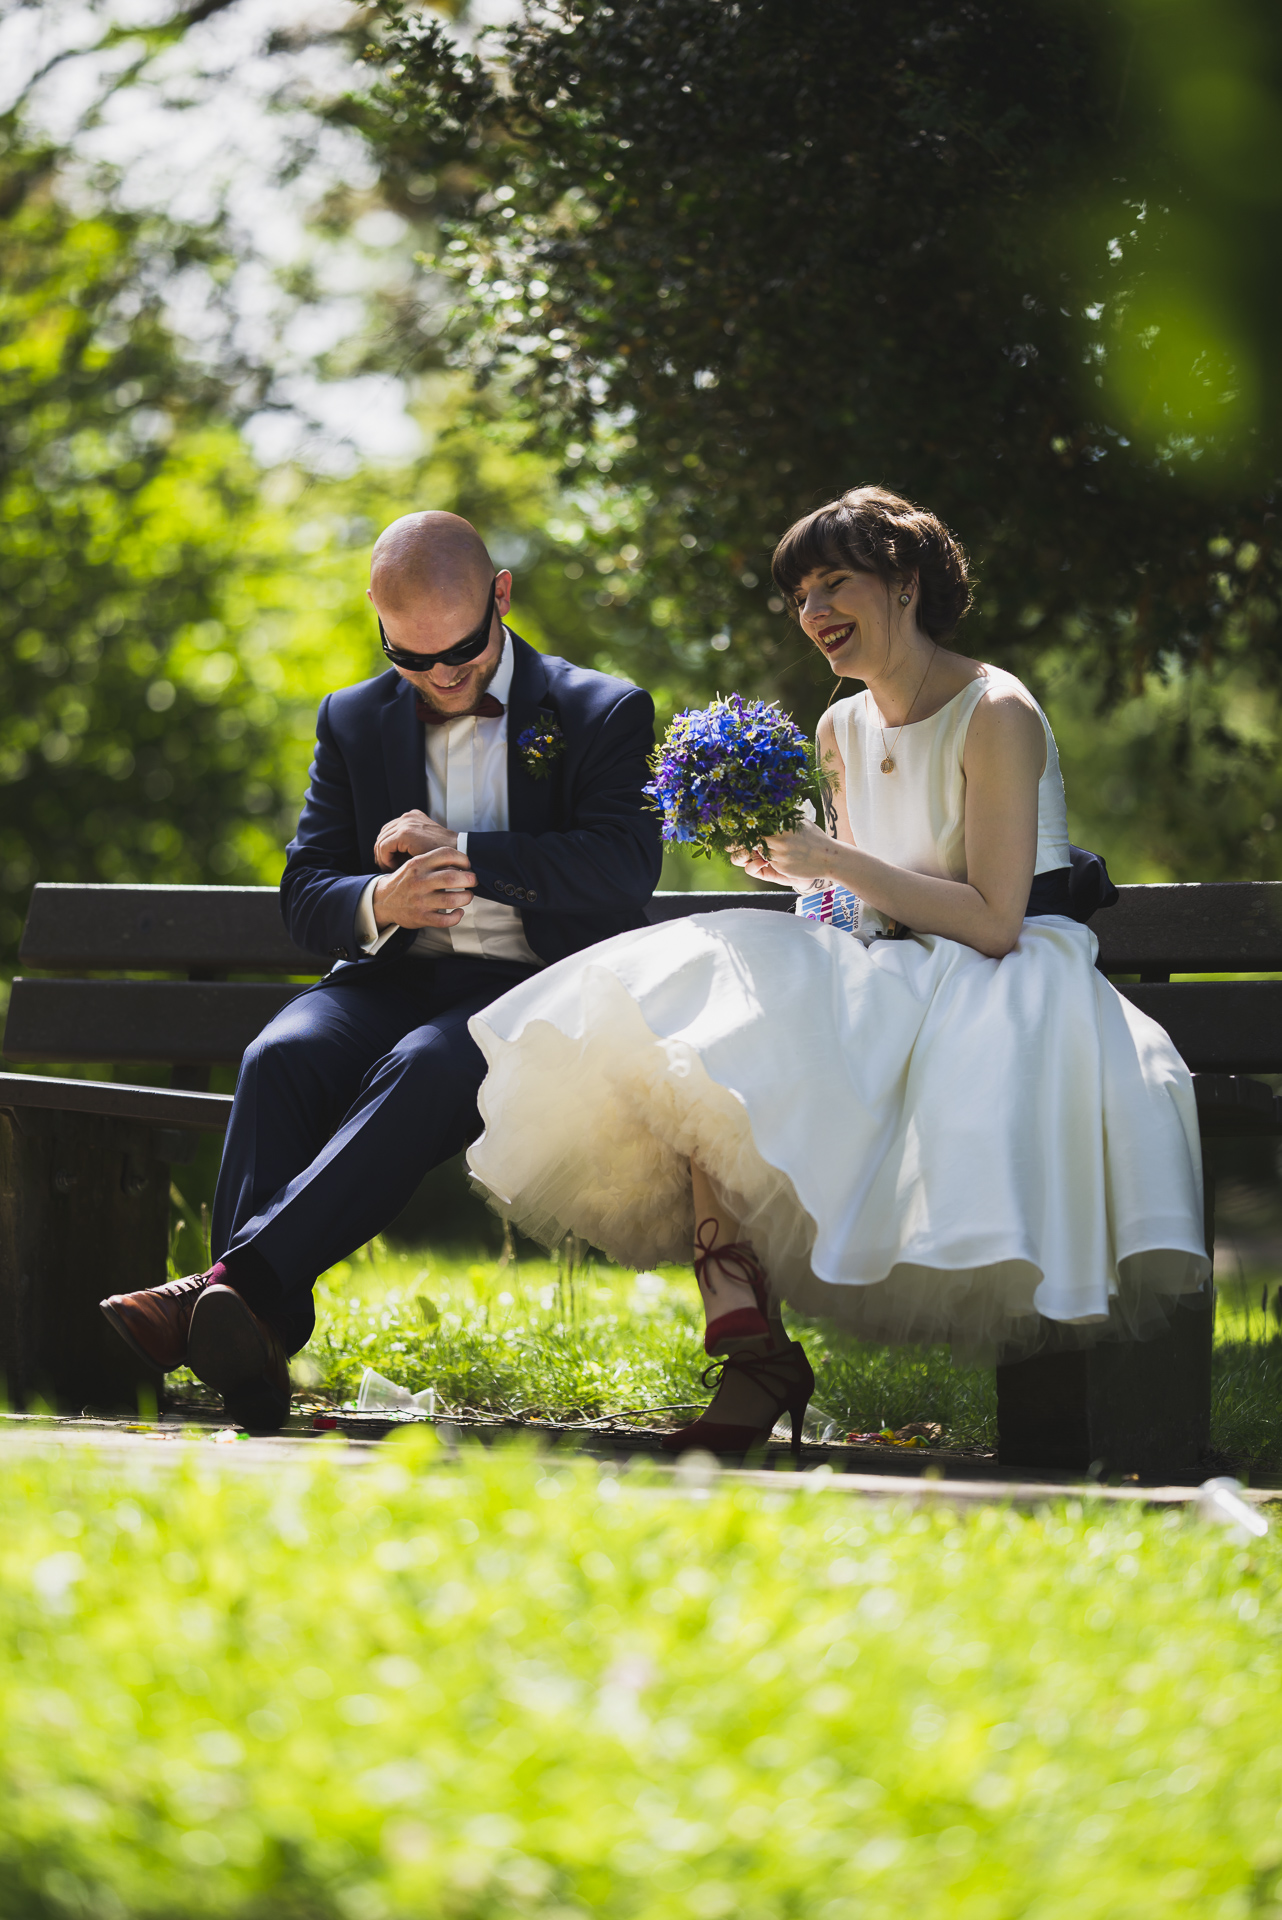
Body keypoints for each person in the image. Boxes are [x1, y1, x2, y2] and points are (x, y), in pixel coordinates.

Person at [465, 486, 1210, 1457]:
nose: (812, 612)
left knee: (769, 1028)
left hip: (1006, 979)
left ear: (903, 584)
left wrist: (831, 862)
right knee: (698, 1020)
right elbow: (859, 903)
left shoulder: (997, 712)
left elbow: (994, 919)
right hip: (887, 965)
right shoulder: (837, 729)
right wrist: (798, 873)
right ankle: (744, 1325)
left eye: (832, 584)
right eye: (798, 595)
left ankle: (763, 1352)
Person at [99, 511, 662, 1428]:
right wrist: (379, 902)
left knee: (428, 1067)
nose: (443, 676)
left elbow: (624, 866)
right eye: (413, 657)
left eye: (464, 650)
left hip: (532, 990)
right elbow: (306, 889)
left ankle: (225, 1295)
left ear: (502, 596)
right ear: (378, 618)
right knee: (277, 1056)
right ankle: (251, 1348)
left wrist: (471, 853)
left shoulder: (601, 709)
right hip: (390, 982)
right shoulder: (353, 719)